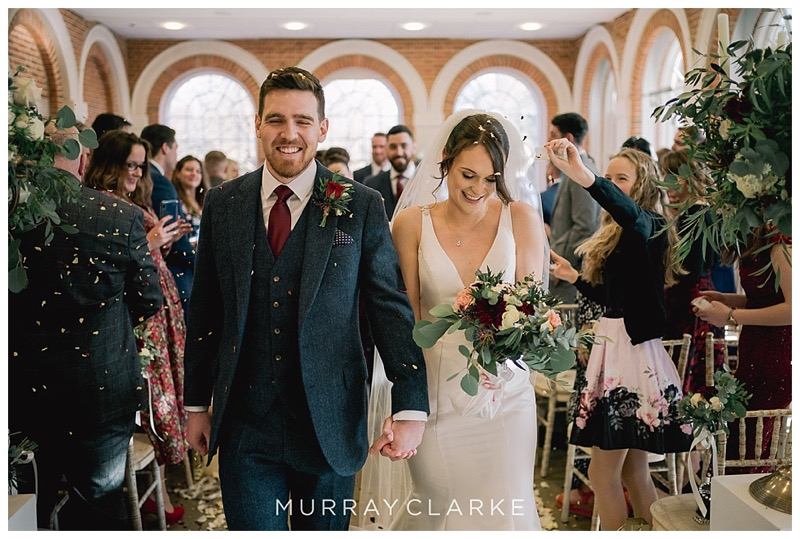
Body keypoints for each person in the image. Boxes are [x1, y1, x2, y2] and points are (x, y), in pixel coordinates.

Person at [182, 66, 429, 531]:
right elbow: (206, 308)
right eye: (276, 119)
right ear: (258, 124)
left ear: (323, 128)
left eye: (302, 121)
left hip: (329, 423)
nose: (289, 133)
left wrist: (410, 405)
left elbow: (389, 308)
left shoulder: (360, 204)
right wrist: (196, 404)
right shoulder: (223, 203)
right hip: (245, 427)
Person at [386, 110, 549, 530]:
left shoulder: (521, 219)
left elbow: (528, 310)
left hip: (505, 394)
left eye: (491, 179)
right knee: (436, 500)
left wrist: (506, 342)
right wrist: (407, 405)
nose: (478, 189)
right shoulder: (411, 224)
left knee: (507, 504)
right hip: (435, 392)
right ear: (445, 161)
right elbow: (406, 319)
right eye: (468, 175)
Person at [9, 126, 164, 530]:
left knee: (29, 499)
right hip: (101, 384)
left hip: (25, 384)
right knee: (99, 501)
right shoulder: (120, 215)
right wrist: (108, 323)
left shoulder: (12, 215)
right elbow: (149, 298)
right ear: (83, 161)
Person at [546, 142, 691, 530]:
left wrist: (587, 177)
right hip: (616, 347)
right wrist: (574, 277)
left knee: (601, 474)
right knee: (633, 473)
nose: (611, 184)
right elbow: (615, 301)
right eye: (608, 177)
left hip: (629, 356)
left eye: (620, 178)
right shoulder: (623, 232)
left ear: (642, 185)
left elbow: (626, 211)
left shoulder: (649, 224)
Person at [85, 130, 193, 525]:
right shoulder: (103, 204)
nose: (135, 173)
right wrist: (151, 240)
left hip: (162, 309)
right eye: (128, 165)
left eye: (139, 166)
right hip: (142, 321)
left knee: (168, 392)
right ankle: (154, 496)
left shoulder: (132, 201)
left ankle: (161, 488)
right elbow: (115, 264)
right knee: (152, 403)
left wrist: (165, 240)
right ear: (109, 165)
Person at [694, 224, 791, 473]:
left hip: (776, 355)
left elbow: (793, 309)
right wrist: (726, 299)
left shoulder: (778, 243)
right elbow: (766, 298)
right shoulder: (756, 239)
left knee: (749, 447)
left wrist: (731, 315)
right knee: (738, 441)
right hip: (754, 351)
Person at [660, 150, 725, 393]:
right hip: (704, 289)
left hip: (687, 297)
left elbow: (688, 268)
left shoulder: (692, 214)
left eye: (671, 176)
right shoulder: (709, 211)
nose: (666, 184)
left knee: (684, 366)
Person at [140, 124, 196, 316]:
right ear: (166, 147)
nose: (176, 155)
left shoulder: (149, 176)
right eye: (176, 148)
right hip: (172, 267)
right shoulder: (160, 181)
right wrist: (198, 261)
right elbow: (172, 231)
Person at [548, 112, 601, 303]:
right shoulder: (574, 167)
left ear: (568, 139)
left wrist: (562, 264)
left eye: (553, 136)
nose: (549, 141)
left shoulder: (582, 171)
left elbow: (585, 225)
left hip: (569, 269)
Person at [365, 125, 416, 218]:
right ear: (387, 149)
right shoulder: (371, 184)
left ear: (414, 148)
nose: (399, 152)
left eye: (404, 146)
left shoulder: (430, 182)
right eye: (393, 147)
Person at [172, 155, 204, 247]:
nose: (194, 174)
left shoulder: (205, 201)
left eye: (198, 171)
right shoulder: (175, 202)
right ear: (177, 173)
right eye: (189, 170)